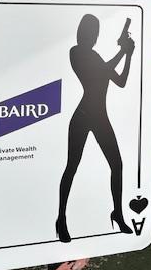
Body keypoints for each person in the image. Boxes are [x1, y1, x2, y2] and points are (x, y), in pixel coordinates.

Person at [56, 14, 135, 243]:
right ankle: (61, 218)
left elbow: (120, 81)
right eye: (91, 32)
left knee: (117, 165)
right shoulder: (76, 53)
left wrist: (128, 55)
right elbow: (101, 72)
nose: (93, 36)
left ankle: (118, 213)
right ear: (82, 33)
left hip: (100, 116)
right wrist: (122, 51)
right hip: (83, 116)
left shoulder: (96, 55)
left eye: (95, 33)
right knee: (72, 167)